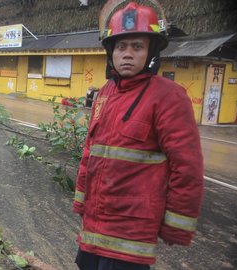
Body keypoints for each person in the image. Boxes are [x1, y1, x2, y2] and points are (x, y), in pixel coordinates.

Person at [72, 2, 204, 270]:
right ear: (111, 52)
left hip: (130, 238)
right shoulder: (105, 93)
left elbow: (187, 167)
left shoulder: (169, 97)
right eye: (121, 47)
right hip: (93, 229)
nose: (128, 54)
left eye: (137, 46)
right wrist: (81, 200)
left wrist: (177, 223)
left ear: (152, 51)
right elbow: (90, 152)